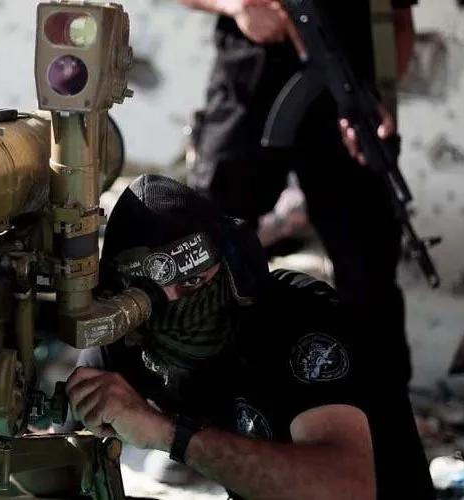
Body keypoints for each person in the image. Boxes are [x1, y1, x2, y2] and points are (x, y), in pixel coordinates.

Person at [58, 174, 435, 499]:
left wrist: (168, 435)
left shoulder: (298, 318)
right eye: (151, 293)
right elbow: (58, 456)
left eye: (193, 282)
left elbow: (347, 489)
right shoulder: (132, 334)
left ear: (229, 264)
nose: (177, 302)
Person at [178, 0, 419, 388]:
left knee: (369, 271)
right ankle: (196, 388)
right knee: (206, 253)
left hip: (342, 107)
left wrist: (372, 101)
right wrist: (236, 6)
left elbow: (400, 22)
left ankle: (382, 404)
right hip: (247, 93)